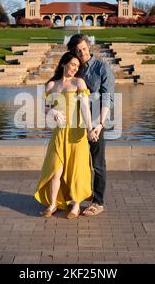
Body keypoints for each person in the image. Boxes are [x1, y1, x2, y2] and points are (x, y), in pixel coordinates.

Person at [34, 52, 95, 220]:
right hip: (59, 134)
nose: (75, 68)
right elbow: (44, 109)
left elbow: (85, 108)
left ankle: (75, 205)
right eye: (72, 64)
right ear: (63, 64)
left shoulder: (79, 83)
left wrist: (90, 129)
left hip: (77, 133)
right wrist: (52, 111)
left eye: (77, 66)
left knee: (76, 170)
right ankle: (53, 204)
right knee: (55, 170)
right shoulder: (51, 86)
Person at [67, 34, 115, 217]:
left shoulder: (102, 68)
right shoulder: (74, 67)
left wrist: (100, 125)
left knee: (97, 163)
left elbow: (107, 99)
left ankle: (98, 202)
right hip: (74, 122)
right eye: (78, 50)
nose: (82, 53)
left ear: (89, 47)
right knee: (75, 161)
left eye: (84, 49)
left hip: (96, 122)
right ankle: (74, 198)